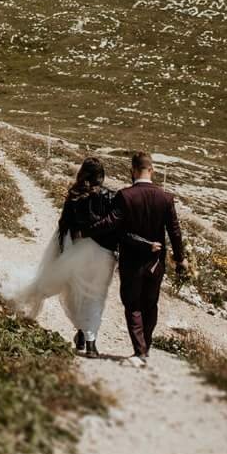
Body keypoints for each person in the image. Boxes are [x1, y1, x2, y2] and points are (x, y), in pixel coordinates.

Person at [6, 157, 119, 357]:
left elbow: (63, 225)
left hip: (76, 251)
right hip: (102, 255)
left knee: (74, 294)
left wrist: (61, 252)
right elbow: (113, 225)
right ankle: (90, 340)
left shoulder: (74, 195)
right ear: (101, 177)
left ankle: (84, 335)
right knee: (96, 297)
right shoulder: (109, 197)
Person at [85, 151, 190, 366]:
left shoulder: (125, 196)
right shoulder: (166, 198)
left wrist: (87, 229)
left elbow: (111, 223)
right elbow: (175, 231)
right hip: (156, 263)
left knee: (132, 305)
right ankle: (146, 347)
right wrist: (181, 259)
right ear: (152, 170)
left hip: (131, 262)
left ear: (133, 170)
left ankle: (139, 350)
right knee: (150, 304)